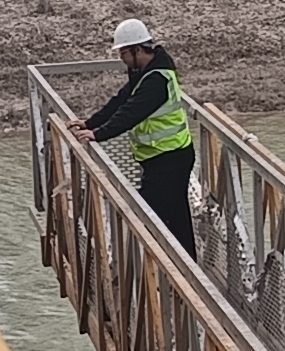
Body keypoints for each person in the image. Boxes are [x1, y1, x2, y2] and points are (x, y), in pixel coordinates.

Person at [71, 14, 197, 252]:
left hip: (169, 159)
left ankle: (165, 271)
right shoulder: (145, 71)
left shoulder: (156, 80)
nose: (122, 60)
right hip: (163, 157)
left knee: (147, 221)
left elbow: (131, 113)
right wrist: (90, 123)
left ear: (137, 50)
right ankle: (188, 266)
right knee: (175, 219)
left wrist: (99, 134)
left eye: (123, 54)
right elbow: (122, 100)